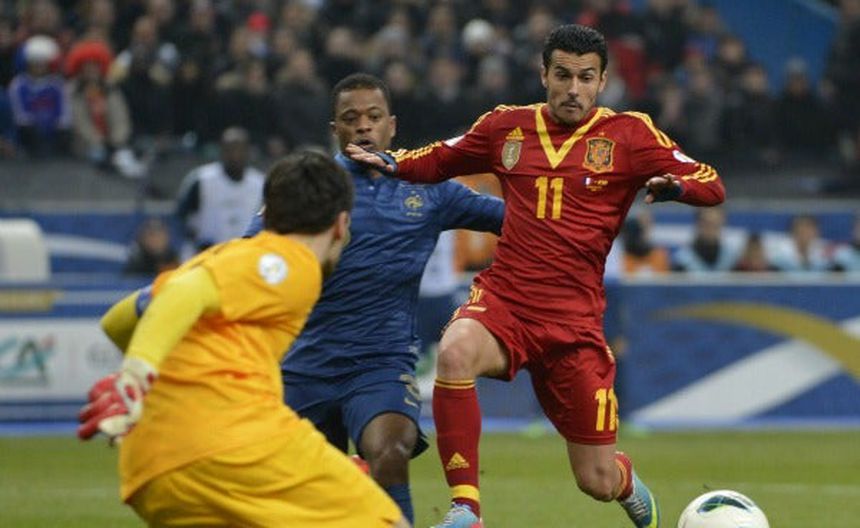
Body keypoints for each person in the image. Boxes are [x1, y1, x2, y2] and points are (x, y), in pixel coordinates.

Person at [349, 24, 726, 528]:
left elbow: (710, 182)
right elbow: (440, 158)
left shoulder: (630, 134)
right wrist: (391, 162)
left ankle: (626, 483)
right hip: (507, 301)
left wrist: (677, 187)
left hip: (574, 324)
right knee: (455, 351)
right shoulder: (505, 127)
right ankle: (467, 509)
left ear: (602, 81)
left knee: (596, 479)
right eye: (563, 75)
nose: (574, 88)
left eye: (586, 78)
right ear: (543, 74)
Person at [77, 151, 410, 528]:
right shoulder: (289, 261)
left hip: (154, 471)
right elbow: (184, 293)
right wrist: (137, 375)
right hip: (233, 446)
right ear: (341, 224)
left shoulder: (223, 259)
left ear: (265, 215)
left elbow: (118, 320)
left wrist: (161, 379)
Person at [245, 73, 504, 525]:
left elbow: (516, 220)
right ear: (335, 130)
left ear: (391, 125)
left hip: (381, 364)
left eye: (373, 116)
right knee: (297, 491)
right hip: (306, 363)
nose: (363, 126)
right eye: (351, 118)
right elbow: (249, 253)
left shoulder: (429, 187)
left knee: (390, 451)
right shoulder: (311, 187)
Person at [175, 126, 265, 255]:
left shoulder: (259, 183)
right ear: (221, 150)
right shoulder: (201, 179)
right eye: (230, 149)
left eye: (240, 149)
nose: (235, 155)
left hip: (245, 255)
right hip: (207, 253)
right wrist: (194, 240)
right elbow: (180, 217)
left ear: (248, 151)